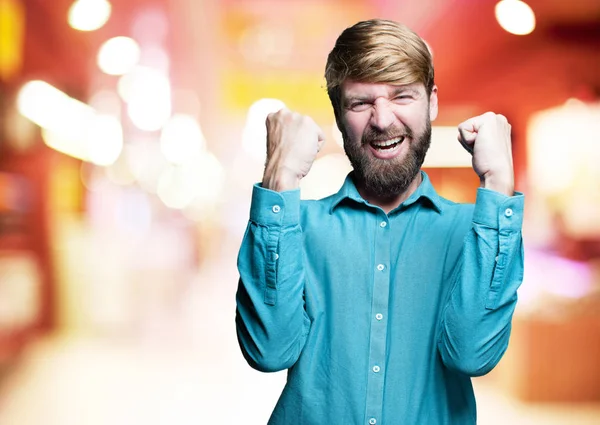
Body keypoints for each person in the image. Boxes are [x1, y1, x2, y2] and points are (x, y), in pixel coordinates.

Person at [235, 18, 524, 425]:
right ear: (338, 115)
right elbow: (267, 351)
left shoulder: (474, 231)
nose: (383, 120)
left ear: (432, 102)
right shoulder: (295, 226)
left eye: (402, 95)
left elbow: (473, 354)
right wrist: (279, 180)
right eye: (360, 102)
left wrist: (498, 185)